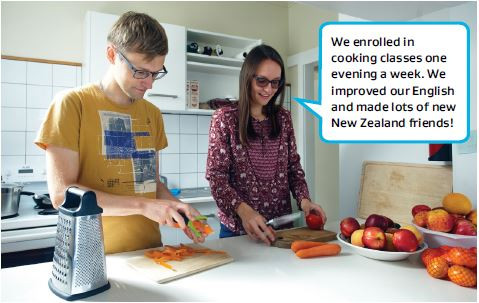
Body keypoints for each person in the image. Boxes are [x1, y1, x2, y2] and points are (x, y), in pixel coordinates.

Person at [35, 11, 204, 254]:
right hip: (94, 258)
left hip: (150, 252)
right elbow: (62, 195)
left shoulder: (152, 114)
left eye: (155, 73)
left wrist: (180, 208)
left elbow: (152, 184)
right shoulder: (72, 104)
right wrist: (144, 206)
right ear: (112, 54)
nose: (149, 83)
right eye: (141, 71)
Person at [206, 44, 327, 245]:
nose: (269, 89)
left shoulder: (283, 118)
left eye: (275, 83)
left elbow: (293, 169)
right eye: (262, 81)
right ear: (248, 78)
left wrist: (305, 201)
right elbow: (216, 177)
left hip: (281, 230)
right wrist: (245, 212)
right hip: (238, 230)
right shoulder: (224, 118)